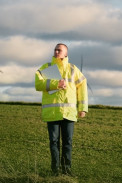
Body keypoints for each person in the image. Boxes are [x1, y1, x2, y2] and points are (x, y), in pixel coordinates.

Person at [35, 43, 88, 176]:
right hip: (52, 112)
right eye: (55, 50)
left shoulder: (73, 69)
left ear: (66, 54)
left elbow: (82, 86)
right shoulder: (46, 68)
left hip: (69, 113)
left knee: (67, 143)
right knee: (53, 142)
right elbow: (38, 83)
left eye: (60, 50)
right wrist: (55, 84)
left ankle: (66, 170)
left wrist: (83, 108)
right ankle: (55, 171)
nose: (57, 52)